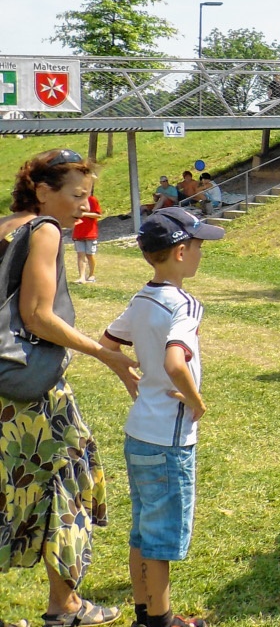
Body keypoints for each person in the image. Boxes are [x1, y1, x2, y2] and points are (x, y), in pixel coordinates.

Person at [0, 148, 139, 627]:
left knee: (12, 489)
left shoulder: (5, 225)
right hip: (32, 390)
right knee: (68, 482)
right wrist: (105, 353)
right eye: (77, 195)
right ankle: (66, 607)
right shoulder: (45, 231)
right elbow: (37, 314)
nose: (87, 205)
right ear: (43, 192)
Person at [102, 207, 224, 627]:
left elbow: (108, 343)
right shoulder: (185, 305)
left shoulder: (141, 298)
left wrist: (130, 379)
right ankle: (162, 619)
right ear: (178, 251)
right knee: (161, 535)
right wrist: (196, 399)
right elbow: (176, 361)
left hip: (138, 432)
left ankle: (144, 610)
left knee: (142, 527)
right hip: (169, 439)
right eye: (198, 245)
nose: (201, 253)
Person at [73, 176, 102, 284]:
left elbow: (98, 215)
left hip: (90, 232)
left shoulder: (92, 200)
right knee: (80, 254)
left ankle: (92, 274)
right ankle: (81, 276)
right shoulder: (75, 200)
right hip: (78, 231)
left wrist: (84, 214)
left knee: (90, 255)